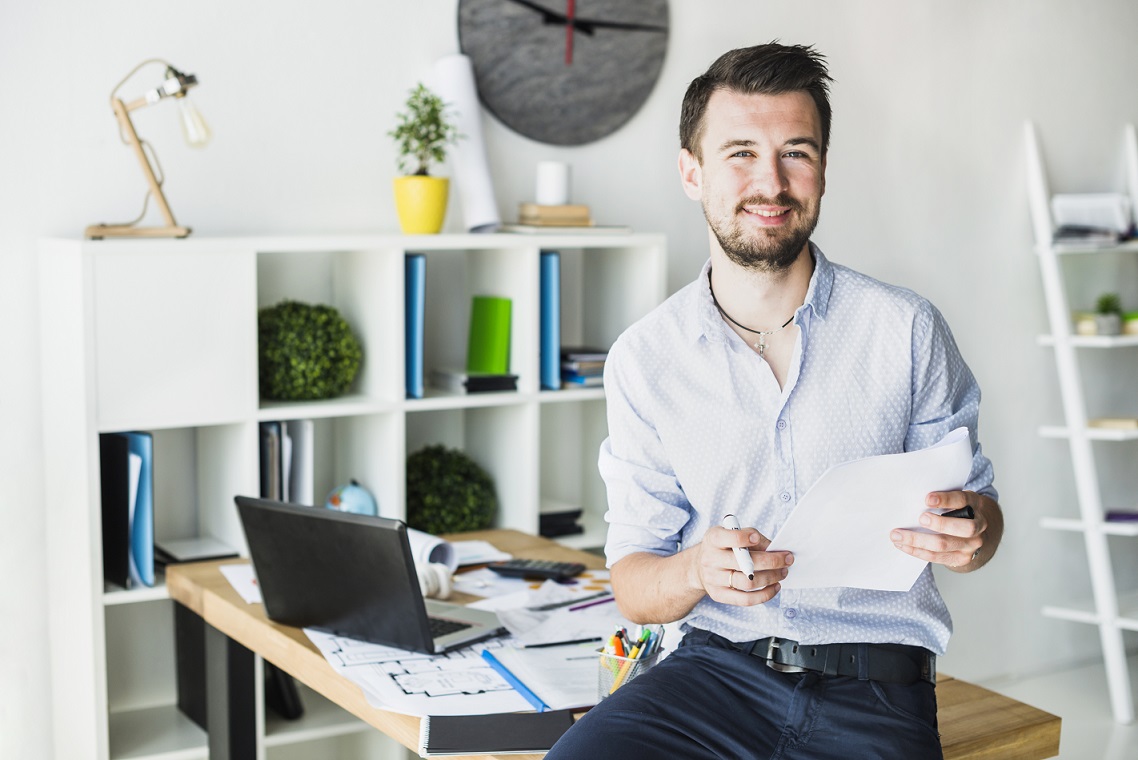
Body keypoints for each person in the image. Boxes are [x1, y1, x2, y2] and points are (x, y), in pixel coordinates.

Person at [546, 42, 1003, 759]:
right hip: (711, 677)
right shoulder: (645, 358)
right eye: (740, 154)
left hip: (877, 688)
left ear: (822, 168)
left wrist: (974, 530)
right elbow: (635, 584)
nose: (771, 182)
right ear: (692, 172)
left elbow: (979, 523)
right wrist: (696, 568)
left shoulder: (906, 329)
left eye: (796, 152)